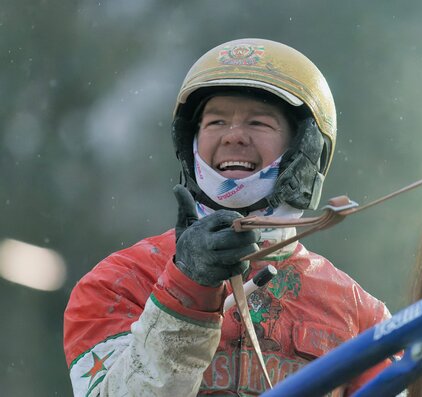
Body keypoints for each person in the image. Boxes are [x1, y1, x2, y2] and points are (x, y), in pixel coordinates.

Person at [64, 38, 392, 396]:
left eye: (259, 122)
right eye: (216, 121)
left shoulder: (360, 315)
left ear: (305, 148)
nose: (235, 136)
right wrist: (187, 286)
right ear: (189, 143)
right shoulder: (116, 284)